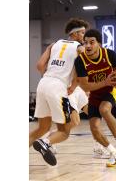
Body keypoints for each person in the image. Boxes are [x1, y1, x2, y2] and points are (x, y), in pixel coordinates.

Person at [29, 18, 90, 166]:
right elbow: (83, 68)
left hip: (43, 84)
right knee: (64, 131)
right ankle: (45, 142)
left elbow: (39, 66)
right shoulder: (79, 48)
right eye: (82, 33)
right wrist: (74, 86)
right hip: (58, 88)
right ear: (74, 34)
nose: (84, 36)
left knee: (42, 127)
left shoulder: (53, 45)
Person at [74, 29, 116, 167]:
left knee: (104, 109)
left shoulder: (109, 54)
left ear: (99, 43)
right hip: (95, 92)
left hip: (111, 89)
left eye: (91, 42)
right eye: (85, 42)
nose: (88, 45)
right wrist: (104, 82)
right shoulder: (80, 61)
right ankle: (112, 153)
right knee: (94, 130)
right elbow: (86, 87)